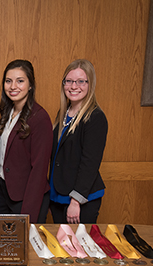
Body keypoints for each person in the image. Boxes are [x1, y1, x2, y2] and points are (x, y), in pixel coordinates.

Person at [0, 60, 53, 266]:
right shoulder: (6, 113)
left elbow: (40, 170)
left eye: (19, 81)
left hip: (26, 199)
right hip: (4, 193)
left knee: (28, 260)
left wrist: (28, 215)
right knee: (7, 255)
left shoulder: (39, 118)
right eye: (8, 81)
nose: (13, 86)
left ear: (31, 84)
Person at [49, 59, 108, 224]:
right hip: (58, 195)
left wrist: (76, 201)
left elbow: (90, 163)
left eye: (81, 81)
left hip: (80, 200)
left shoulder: (95, 117)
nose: (74, 86)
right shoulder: (63, 113)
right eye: (69, 81)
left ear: (90, 84)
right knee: (61, 248)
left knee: (78, 249)